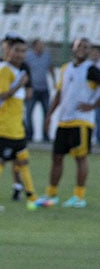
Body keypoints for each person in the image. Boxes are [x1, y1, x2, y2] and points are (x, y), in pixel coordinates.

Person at [37, 37, 100, 209]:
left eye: (86, 47)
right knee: (56, 157)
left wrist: (93, 105)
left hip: (81, 121)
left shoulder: (91, 69)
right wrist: (49, 115)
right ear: (73, 47)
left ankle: (79, 196)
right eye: (79, 46)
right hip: (64, 120)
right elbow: (59, 93)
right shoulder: (66, 69)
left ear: (90, 51)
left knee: (80, 158)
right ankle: (51, 194)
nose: (82, 49)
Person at [0, 36, 41, 210]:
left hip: (17, 127)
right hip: (4, 127)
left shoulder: (20, 71)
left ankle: (32, 197)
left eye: (23, 51)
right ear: (8, 51)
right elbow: (1, 96)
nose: (20, 54)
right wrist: (19, 85)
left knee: (23, 161)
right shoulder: (5, 70)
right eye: (16, 50)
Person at [24, 38, 55, 143]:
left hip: (44, 89)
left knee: (47, 113)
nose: (42, 47)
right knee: (28, 113)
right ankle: (29, 135)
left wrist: (54, 81)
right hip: (32, 89)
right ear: (34, 46)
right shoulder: (28, 56)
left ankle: (45, 135)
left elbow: (50, 68)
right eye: (40, 45)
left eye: (43, 45)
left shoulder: (46, 56)